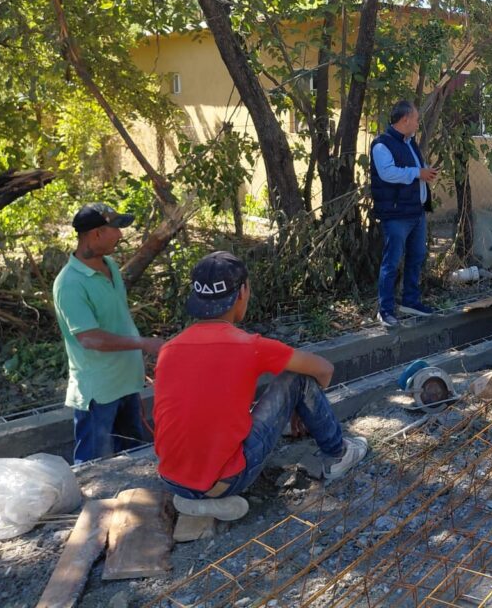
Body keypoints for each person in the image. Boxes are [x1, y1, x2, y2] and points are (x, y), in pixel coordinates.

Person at [153, 251, 369, 520]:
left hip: (172, 479)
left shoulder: (169, 349)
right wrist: (303, 407)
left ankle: (196, 500)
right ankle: (338, 454)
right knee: (297, 377)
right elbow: (324, 369)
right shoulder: (249, 346)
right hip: (228, 480)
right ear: (242, 292)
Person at [53, 203, 164, 464]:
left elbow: (116, 320)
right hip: (99, 392)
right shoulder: (69, 283)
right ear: (96, 234)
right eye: (116, 229)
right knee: (93, 468)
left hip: (126, 383)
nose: (121, 235)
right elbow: (89, 338)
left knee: (133, 459)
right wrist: (143, 343)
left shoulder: (110, 266)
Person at [371, 100, 439, 328]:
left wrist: (425, 172)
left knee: (417, 257)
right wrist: (418, 172)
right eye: (416, 120)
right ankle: (385, 310)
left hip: (416, 212)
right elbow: (387, 173)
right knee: (391, 262)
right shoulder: (382, 145)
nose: (418, 124)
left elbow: (415, 171)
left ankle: (410, 301)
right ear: (405, 120)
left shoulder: (410, 143)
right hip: (396, 214)